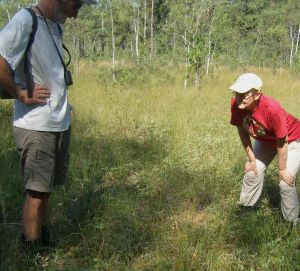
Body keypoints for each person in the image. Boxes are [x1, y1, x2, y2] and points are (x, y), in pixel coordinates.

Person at [0, 0, 95, 248]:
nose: (76, 13)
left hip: (58, 122)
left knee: (47, 188)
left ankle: (42, 238)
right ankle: (31, 250)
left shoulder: (53, 25)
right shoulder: (25, 20)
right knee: (36, 193)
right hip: (36, 125)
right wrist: (21, 94)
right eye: (77, 5)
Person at [229, 73, 300, 224]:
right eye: (237, 92)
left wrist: (281, 170)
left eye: (244, 94)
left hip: (292, 141)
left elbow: (283, 141)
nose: (239, 97)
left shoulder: (272, 109)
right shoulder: (236, 104)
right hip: (266, 140)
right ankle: (247, 211)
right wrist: (252, 159)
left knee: (285, 182)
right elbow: (242, 130)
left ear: (257, 94)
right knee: (252, 172)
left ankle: (291, 223)